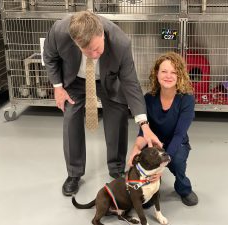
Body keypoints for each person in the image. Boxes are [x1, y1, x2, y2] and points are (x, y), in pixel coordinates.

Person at [43, 10, 162, 196]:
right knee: (71, 118)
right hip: (74, 81)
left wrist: (144, 124)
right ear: (75, 42)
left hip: (109, 80)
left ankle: (116, 168)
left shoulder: (121, 42)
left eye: (97, 49)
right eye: (87, 51)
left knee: (118, 117)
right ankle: (74, 174)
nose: (94, 55)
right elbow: (49, 57)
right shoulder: (59, 31)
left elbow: (131, 84)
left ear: (102, 35)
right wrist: (58, 87)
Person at [128, 52, 198, 206]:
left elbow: (180, 134)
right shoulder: (148, 99)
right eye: (164, 71)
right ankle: (148, 189)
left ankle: (183, 188)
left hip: (177, 143)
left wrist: (161, 166)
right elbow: (143, 131)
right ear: (156, 73)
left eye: (174, 72)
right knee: (144, 199)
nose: (168, 76)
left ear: (180, 76)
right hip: (153, 144)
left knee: (177, 162)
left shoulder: (187, 99)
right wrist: (136, 148)